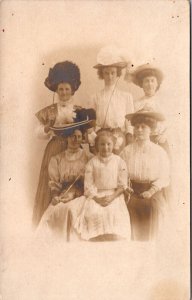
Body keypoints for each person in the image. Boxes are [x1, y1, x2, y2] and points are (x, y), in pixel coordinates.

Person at [32, 61, 95, 226]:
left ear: (73, 89)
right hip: (55, 148)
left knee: (76, 182)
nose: (64, 92)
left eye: (67, 89)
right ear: (56, 90)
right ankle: (47, 223)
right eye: (61, 89)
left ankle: (73, 223)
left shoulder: (80, 110)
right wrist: (45, 129)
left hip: (74, 147)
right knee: (52, 182)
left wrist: (93, 137)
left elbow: (88, 131)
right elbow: (37, 132)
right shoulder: (50, 110)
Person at [120, 109, 170, 241]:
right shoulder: (127, 151)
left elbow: (165, 176)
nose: (140, 130)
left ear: (151, 130)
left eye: (143, 127)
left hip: (152, 192)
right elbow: (121, 172)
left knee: (153, 208)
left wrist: (151, 191)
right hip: (131, 191)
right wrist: (125, 188)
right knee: (125, 209)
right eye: (137, 127)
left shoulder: (159, 152)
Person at [36, 127, 93, 241]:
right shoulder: (57, 159)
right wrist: (55, 197)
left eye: (78, 137)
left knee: (70, 210)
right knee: (51, 213)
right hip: (63, 194)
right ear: (67, 138)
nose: (75, 140)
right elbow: (55, 184)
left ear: (82, 139)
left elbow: (89, 184)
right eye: (72, 136)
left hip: (82, 195)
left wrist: (74, 194)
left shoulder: (88, 157)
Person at [73, 130, 131, 241]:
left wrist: (112, 197)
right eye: (102, 144)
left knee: (115, 214)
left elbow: (122, 185)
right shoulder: (92, 163)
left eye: (109, 144)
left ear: (113, 145)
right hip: (96, 195)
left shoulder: (119, 162)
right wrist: (97, 199)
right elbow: (88, 185)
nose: (105, 147)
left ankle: (114, 242)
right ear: (97, 146)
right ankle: (96, 241)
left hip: (114, 194)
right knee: (93, 213)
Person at [88, 46, 134, 154]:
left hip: (119, 137)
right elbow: (91, 122)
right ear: (102, 74)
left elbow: (129, 122)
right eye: (106, 73)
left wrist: (129, 137)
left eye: (113, 72)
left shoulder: (126, 97)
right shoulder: (95, 97)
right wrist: (92, 138)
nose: (110, 76)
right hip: (101, 138)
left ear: (117, 73)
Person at [128, 63, 169, 153]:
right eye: (146, 81)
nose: (150, 84)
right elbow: (131, 124)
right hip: (140, 140)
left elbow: (170, 122)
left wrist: (164, 135)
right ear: (141, 84)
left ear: (157, 83)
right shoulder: (136, 104)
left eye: (152, 81)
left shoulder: (163, 102)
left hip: (159, 139)